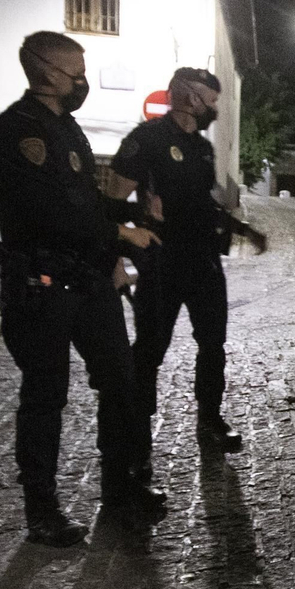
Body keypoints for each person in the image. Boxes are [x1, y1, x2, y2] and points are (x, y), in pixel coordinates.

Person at [0, 31, 166, 546]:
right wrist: (120, 233)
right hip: (40, 286)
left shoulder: (69, 129)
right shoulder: (11, 133)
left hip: (89, 280)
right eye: (75, 73)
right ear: (45, 71)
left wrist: (129, 219)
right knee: (45, 396)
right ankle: (42, 510)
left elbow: (85, 201)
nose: (83, 81)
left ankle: (120, 489)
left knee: (121, 382)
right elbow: (51, 213)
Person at [108, 67, 267, 454]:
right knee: (150, 350)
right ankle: (136, 438)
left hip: (204, 263)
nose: (215, 109)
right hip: (162, 265)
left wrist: (242, 228)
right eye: (211, 101)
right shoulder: (146, 140)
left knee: (213, 345)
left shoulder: (201, 147)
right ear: (191, 98)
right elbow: (110, 202)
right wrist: (118, 258)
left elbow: (202, 203)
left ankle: (210, 420)